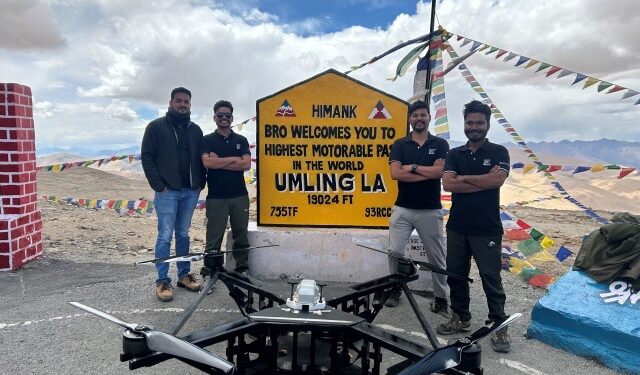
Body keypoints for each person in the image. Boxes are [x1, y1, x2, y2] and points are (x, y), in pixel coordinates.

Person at [438, 99, 512, 353]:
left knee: (491, 277)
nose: (474, 127)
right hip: (458, 226)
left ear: (488, 124)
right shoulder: (454, 154)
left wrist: (464, 178)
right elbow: (448, 185)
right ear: (465, 125)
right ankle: (460, 317)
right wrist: (481, 180)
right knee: (456, 274)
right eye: (470, 122)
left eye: (479, 122)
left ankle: (498, 323)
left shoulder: (499, 152)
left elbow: (496, 181)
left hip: (487, 228)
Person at [385, 100, 450, 315]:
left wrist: (411, 168)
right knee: (394, 251)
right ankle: (395, 288)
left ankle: (441, 298)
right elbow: (395, 174)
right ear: (409, 119)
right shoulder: (400, 144)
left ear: (429, 118)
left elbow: (439, 173)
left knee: (437, 257)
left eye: (423, 115)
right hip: (403, 208)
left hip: (430, 209)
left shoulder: (440, 144)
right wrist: (425, 171)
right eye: (415, 115)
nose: (419, 118)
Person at [141, 87, 206, 302]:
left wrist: (200, 182)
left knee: (184, 234)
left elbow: (201, 158)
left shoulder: (196, 130)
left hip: (190, 191)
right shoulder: (156, 127)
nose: (182, 105)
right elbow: (147, 157)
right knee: (165, 235)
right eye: (178, 101)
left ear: (190, 105)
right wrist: (159, 186)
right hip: (167, 191)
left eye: (186, 101)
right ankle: (162, 280)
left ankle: (183, 275)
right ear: (171, 102)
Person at [201, 100, 252, 273]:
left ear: (232, 118)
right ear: (214, 117)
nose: (224, 118)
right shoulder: (207, 140)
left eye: (227, 115)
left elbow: (246, 165)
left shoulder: (241, 140)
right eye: (220, 115)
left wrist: (219, 162)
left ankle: (242, 268)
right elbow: (207, 162)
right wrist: (233, 159)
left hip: (239, 195)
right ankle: (211, 271)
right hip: (216, 196)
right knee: (214, 237)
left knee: (241, 235)